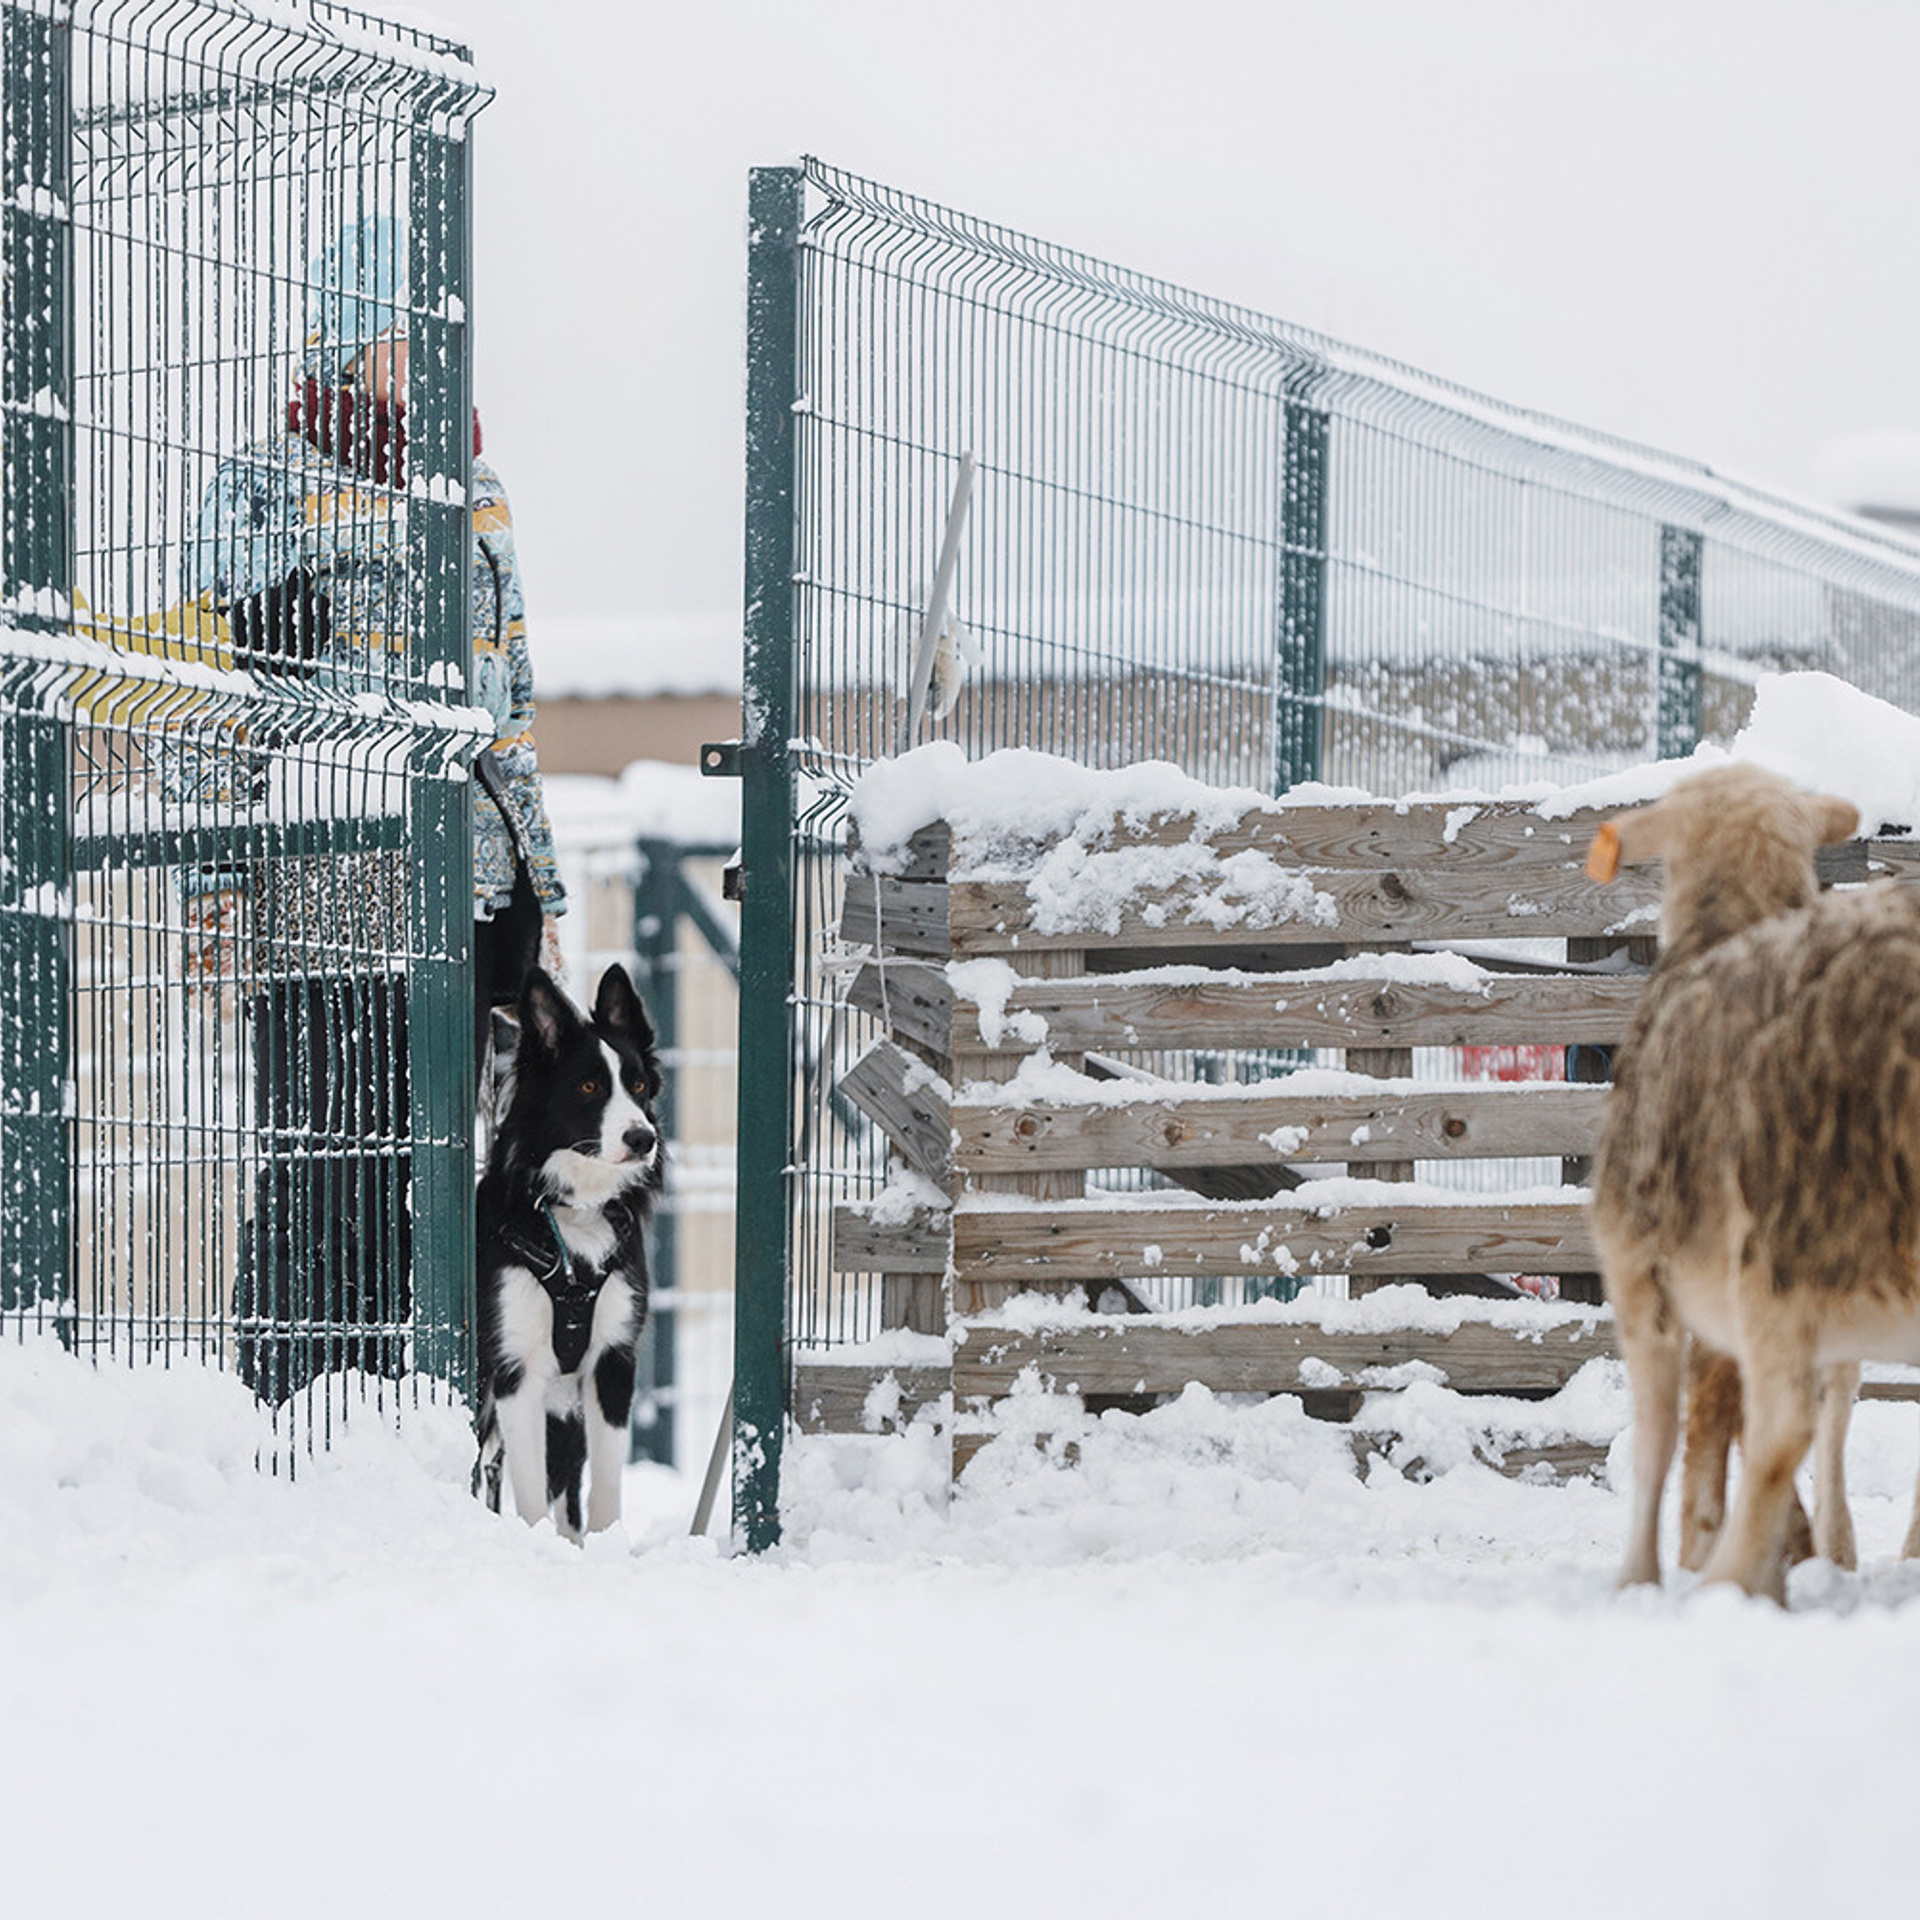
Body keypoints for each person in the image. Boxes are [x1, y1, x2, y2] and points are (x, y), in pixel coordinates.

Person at [185, 214, 567, 1400]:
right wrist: (214, 879)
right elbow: (214, 697)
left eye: (436, 333)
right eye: (403, 336)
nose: (426, 357)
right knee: (325, 1174)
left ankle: (424, 1426)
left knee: (442, 1177)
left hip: (470, 887)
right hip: (330, 887)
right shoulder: (260, 486)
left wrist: (542, 894)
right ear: (342, 342)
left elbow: (511, 708)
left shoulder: (480, 488)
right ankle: (291, 1415)